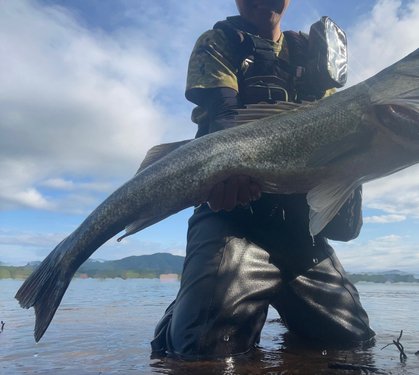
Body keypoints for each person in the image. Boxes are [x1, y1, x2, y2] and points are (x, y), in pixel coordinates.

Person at [151, 0, 375, 360]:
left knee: (353, 344)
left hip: (301, 228)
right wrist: (228, 167)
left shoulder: (316, 54)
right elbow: (225, 116)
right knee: (202, 350)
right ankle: (182, 313)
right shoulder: (218, 41)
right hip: (232, 218)